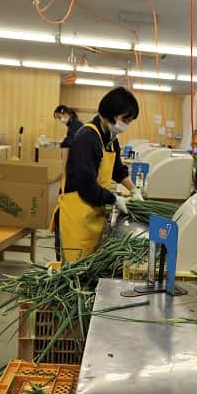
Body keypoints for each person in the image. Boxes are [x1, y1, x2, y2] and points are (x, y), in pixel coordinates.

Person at [56, 87, 144, 262]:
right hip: (77, 216)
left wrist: (134, 190)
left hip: (93, 213)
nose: (126, 125)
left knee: (87, 267)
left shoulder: (110, 138)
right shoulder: (87, 138)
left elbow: (117, 170)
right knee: (75, 271)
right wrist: (114, 199)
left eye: (130, 121)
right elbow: (86, 184)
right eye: (124, 119)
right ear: (110, 114)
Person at [52, 105, 83, 260]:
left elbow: (68, 144)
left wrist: (62, 170)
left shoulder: (77, 126)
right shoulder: (74, 126)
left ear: (66, 113)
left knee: (62, 223)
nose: (60, 120)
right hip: (71, 180)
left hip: (72, 182)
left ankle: (62, 258)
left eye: (59, 117)